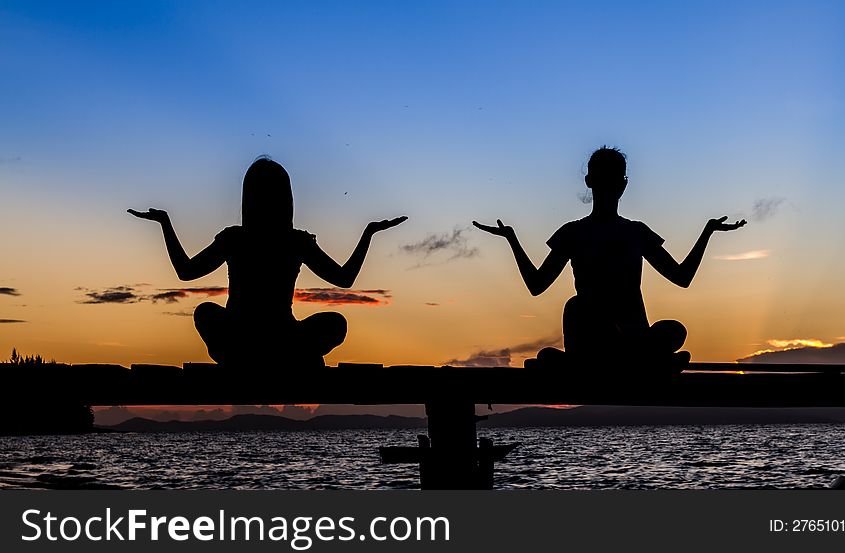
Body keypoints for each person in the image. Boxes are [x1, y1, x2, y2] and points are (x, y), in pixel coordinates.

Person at [473, 146, 745, 372]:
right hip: (595, 339)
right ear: (593, 181)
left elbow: (681, 277)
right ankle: (646, 363)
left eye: (613, 178)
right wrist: (512, 239)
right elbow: (537, 285)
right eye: (606, 177)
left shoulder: (636, 232)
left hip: (631, 338)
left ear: (620, 184)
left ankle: (617, 361)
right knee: (577, 307)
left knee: (675, 330)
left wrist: (707, 232)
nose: (610, 184)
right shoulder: (574, 233)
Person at [129, 156, 406, 367]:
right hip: (271, 337)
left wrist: (165, 223)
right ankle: (288, 358)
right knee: (206, 312)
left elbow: (185, 272)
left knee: (334, 322)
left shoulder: (252, 239)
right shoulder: (279, 240)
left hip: (263, 336)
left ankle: (247, 358)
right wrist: (368, 233)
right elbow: (344, 279)